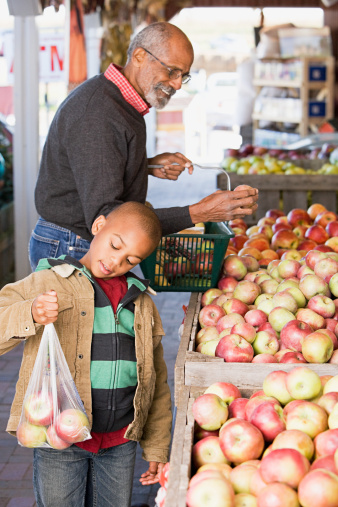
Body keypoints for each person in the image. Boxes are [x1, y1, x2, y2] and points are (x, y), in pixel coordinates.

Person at [29, 21, 258, 272]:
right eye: (172, 71)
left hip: (82, 243)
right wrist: (199, 212)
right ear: (139, 56)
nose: (178, 84)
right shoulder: (99, 113)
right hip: (73, 247)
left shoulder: (116, 101)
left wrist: (143, 165)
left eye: (184, 75)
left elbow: (93, 163)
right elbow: (109, 220)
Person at [0, 202, 172, 507]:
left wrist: (157, 447)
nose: (116, 260)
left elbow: (155, 381)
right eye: (115, 245)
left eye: (131, 258)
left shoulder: (142, 303)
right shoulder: (47, 281)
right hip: (57, 436)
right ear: (98, 226)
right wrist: (30, 311)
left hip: (120, 439)